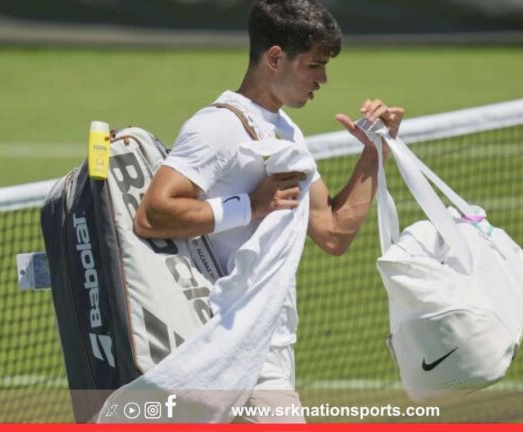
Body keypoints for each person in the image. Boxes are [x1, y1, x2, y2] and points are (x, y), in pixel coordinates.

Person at [134, 0, 403, 423]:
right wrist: (251, 205)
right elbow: (153, 215)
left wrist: (374, 153)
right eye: (314, 65)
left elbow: (333, 232)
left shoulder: (286, 131)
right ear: (276, 58)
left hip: (271, 341)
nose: (323, 79)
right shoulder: (218, 126)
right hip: (228, 341)